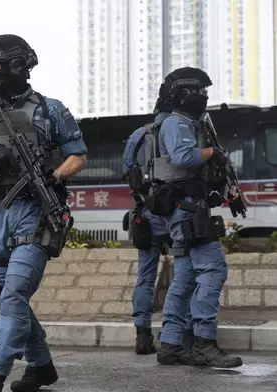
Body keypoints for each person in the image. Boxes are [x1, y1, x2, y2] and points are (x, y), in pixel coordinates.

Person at [0, 34, 87, 392]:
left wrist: (53, 177)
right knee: (3, 295)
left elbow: (78, 155)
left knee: (13, 295)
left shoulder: (50, 108)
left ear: (16, 66)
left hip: (35, 213)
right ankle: (41, 367)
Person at [146, 67, 242, 368]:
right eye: (201, 92)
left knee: (185, 278)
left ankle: (172, 344)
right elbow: (184, 158)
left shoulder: (187, 122)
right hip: (187, 210)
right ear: (185, 95)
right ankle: (204, 343)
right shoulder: (177, 123)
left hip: (184, 208)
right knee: (213, 269)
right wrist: (213, 152)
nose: (206, 97)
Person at [122, 85, 195, 358]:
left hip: (146, 214)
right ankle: (179, 334)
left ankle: (143, 334)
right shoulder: (179, 130)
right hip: (175, 211)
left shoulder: (137, 136)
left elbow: (127, 170)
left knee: (145, 276)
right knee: (184, 271)